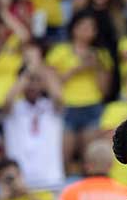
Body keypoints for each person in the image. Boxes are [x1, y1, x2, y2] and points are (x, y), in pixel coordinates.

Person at [45, 9, 113, 171]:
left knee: (89, 157)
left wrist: (97, 67)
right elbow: (51, 82)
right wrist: (77, 69)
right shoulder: (60, 51)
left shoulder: (101, 55)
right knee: (64, 156)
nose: (87, 31)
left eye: (91, 27)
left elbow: (105, 90)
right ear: (74, 28)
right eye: (83, 26)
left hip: (91, 106)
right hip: (67, 107)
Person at [2, 63, 65, 189]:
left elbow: (59, 97)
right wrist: (28, 72)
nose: (32, 86)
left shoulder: (51, 107)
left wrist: (41, 70)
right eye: (29, 81)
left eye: (37, 81)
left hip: (51, 179)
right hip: (20, 182)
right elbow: (7, 101)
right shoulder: (14, 108)